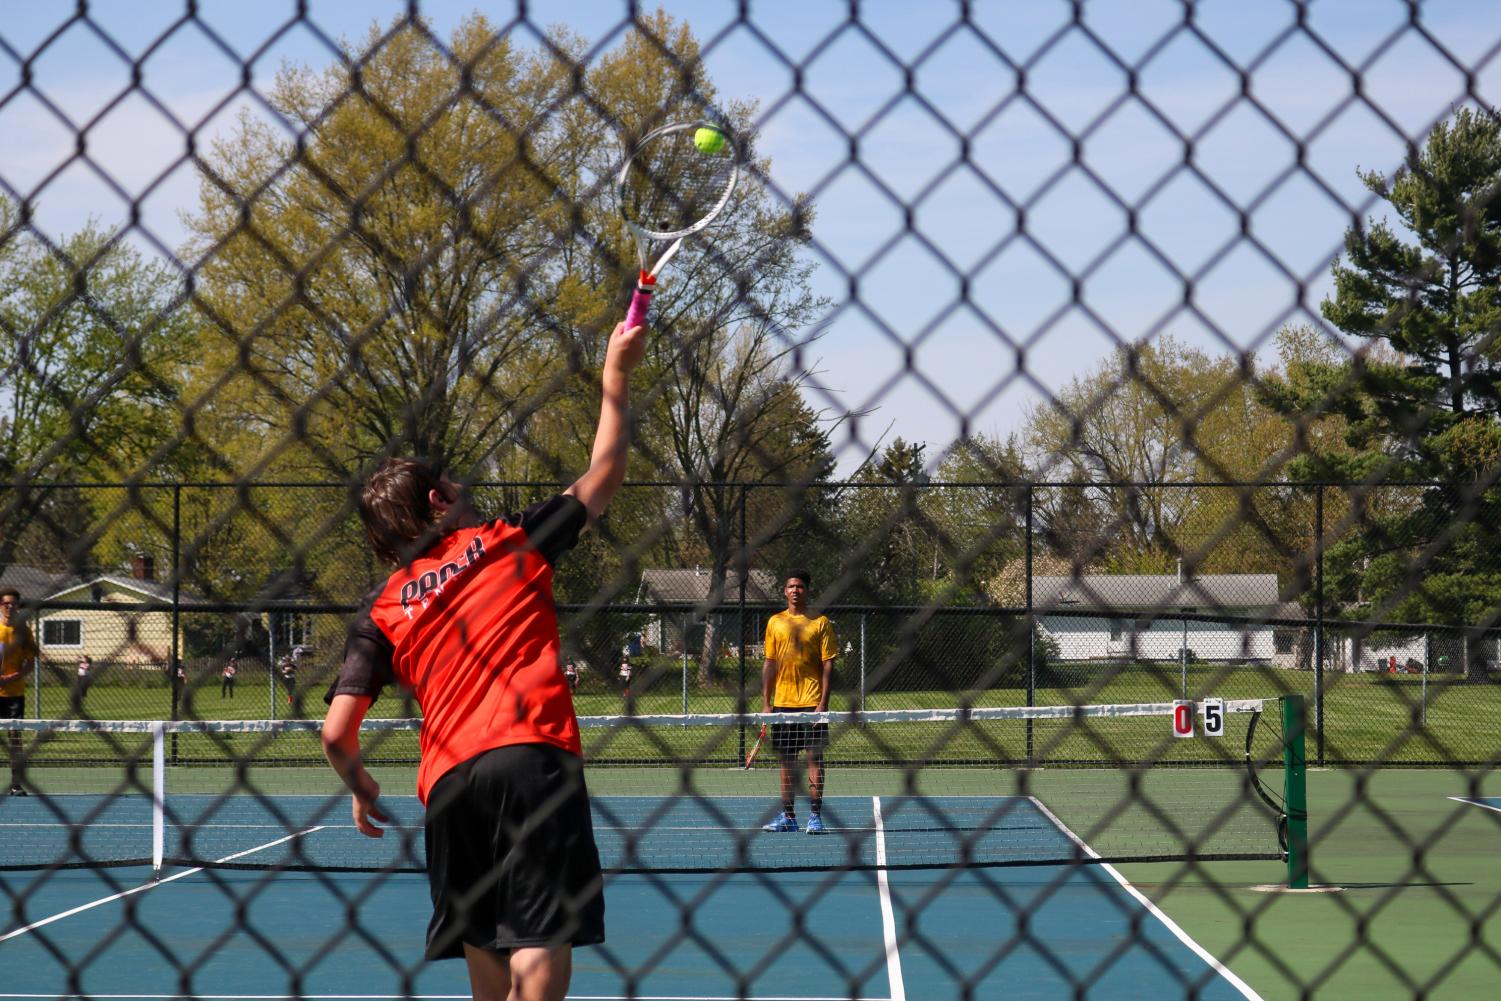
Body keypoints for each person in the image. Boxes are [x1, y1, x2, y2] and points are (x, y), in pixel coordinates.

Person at [321, 317, 645, 1001]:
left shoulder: (383, 608)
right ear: (438, 501)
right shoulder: (509, 541)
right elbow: (605, 472)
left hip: (448, 786)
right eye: (452, 481)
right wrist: (615, 373)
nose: (462, 484)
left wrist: (359, 786)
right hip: (531, 756)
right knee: (539, 933)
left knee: (486, 946)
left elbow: (334, 731)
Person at [760, 570, 838, 835]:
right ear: (784, 591)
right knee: (786, 762)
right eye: (791, 586)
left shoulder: (821, 622)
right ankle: (789, 817)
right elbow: (769, 663)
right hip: (782, 705)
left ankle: (815, 817)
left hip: (812, 702)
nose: (795, 590)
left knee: (815, 759)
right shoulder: (774, 622)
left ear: (807, 591)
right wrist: (766, 703)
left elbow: (828, 665)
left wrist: (822, 705)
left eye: (800, 586)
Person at [0, 587, 38, 796]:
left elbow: (31, 663)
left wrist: (12, 677)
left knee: (15, 737)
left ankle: (16, 784)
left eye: (13, 603)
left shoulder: (24, 631)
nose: (9, 606)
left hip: (14, 694)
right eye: (5, 603)